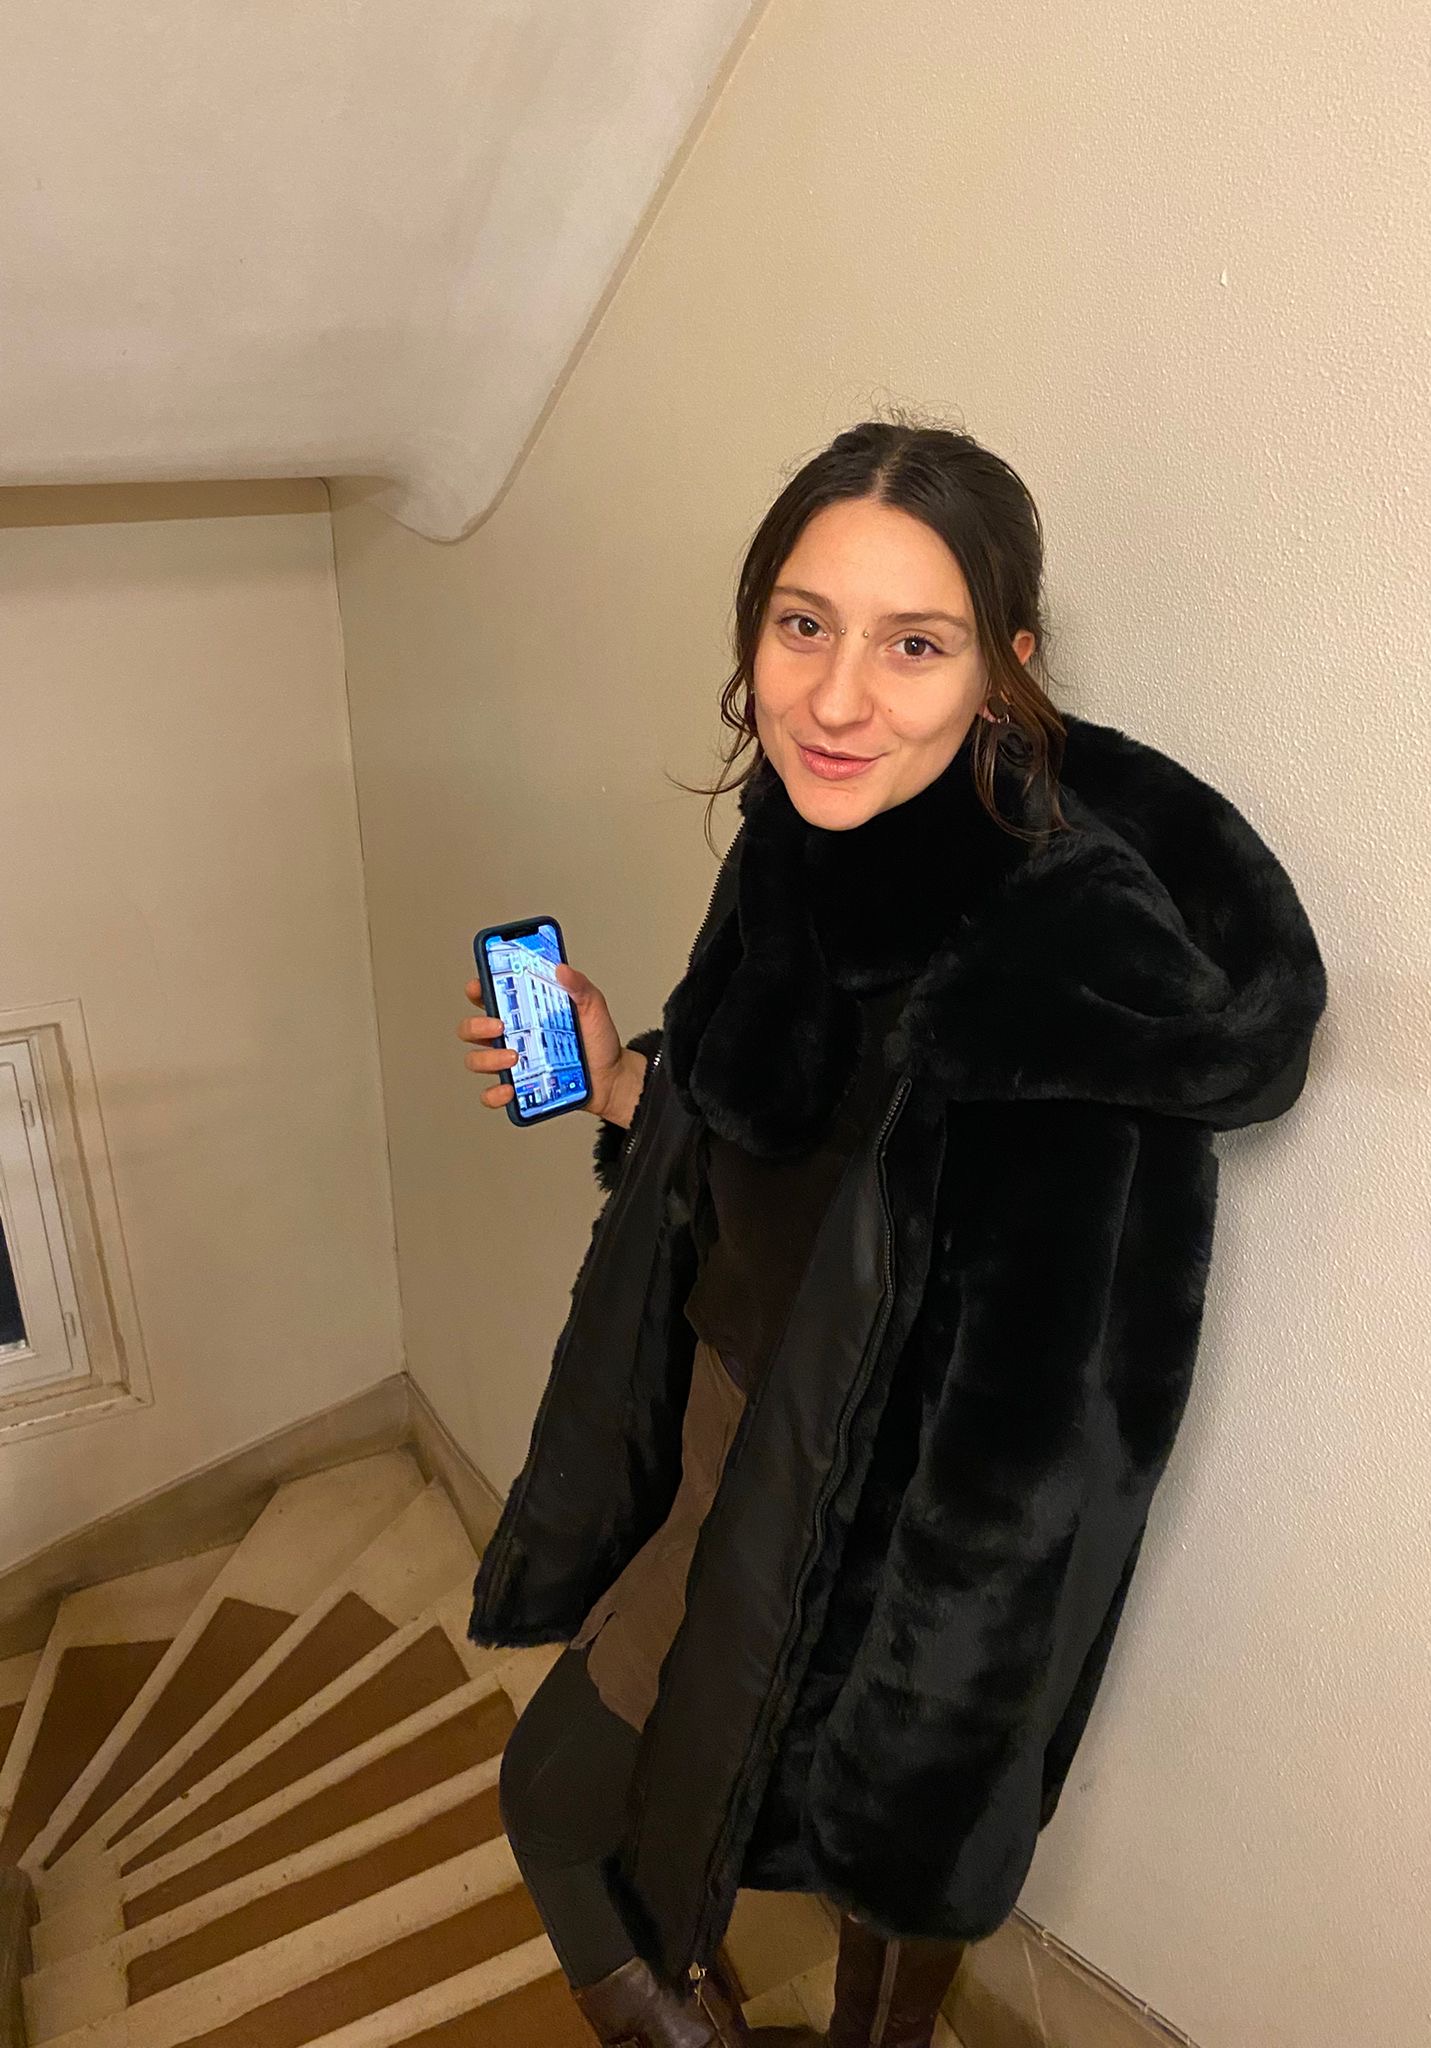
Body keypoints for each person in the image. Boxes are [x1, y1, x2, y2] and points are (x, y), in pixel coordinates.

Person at [457, 421, 1327, 2048]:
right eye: (804, 625)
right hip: (731, 1437)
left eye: (913, 644)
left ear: (1005, 671)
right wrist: (629, 1081)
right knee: (620, 1818)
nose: (836, 699)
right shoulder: (804, 837)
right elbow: (801, 1141)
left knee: (613, 1815)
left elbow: (1048, 1424)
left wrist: (936, 1727)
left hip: (868, 1520)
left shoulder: (1055, 958)